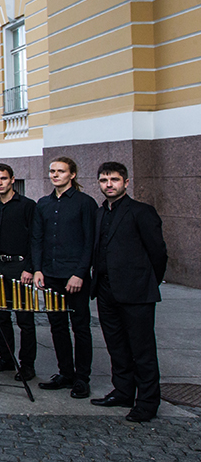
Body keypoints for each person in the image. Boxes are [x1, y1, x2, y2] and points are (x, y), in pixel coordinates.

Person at [90, 162, 167, 423]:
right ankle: (123, 392)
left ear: (126, 182)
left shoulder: (141, 212)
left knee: (142, 350)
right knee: (116, 346)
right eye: (104, 180)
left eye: (114, 179)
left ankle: (147, 402)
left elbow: (158, 253)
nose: (109, 184)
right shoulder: (100, 213)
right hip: (105, 289)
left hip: (136, 291)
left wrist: (147, 282)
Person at [32, 156, 97, 398]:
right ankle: (65, 373)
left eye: (60, 171)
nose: (55, 175)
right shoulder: (43, 203)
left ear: (72, 174)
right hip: (50, 274)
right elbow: (37, 239)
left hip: (74, 276)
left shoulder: (85, 203)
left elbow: (90, 242)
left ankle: (82, 378)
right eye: (52, 171)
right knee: (57, 326)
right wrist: (38, 269)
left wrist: (80, 273)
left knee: (80, 327)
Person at [0, 163, 38, 381]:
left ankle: (27, 364)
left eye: (3, 178)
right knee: (1, 315)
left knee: (24, 318)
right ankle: (6, 357)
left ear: (12, 179)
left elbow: (35, 239)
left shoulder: (27, 206)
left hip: (19, 266)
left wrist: (30, 268)